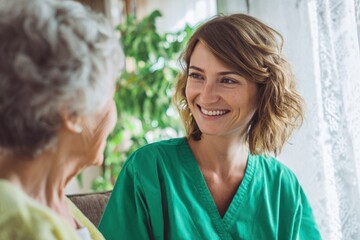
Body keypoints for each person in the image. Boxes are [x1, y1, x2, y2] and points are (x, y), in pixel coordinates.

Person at [99, 13, 321, 239]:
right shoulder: (148, 171)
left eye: (228, 80)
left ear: (265, 90)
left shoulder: (283, 188)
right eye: (197, 76)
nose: (206, 96)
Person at [0, 0, 123, 239]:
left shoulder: (53, 199)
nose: (114, 112)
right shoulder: (18, 223)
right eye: (110, 94)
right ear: (72, 113)